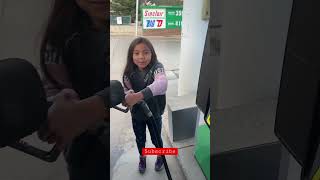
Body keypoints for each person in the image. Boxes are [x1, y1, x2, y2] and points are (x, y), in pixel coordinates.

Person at [39, 0, 109, 179]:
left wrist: (94, 108)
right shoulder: (62, 34)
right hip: (86, 161)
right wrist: (54, 112)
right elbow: (51, 87)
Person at [122, 37, 168, 173]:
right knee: (140, 138)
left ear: (152, 53)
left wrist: (137, 96)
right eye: (136, 53)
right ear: (131, 55)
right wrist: (127, 96)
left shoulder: (157, 67)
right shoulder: (128, 73)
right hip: (137, 115)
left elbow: (162, 84)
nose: (141, 57)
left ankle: (160, 155)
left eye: (146, 52)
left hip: (155, 113)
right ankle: (142, 157)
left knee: (156, 138)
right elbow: (125, 90)